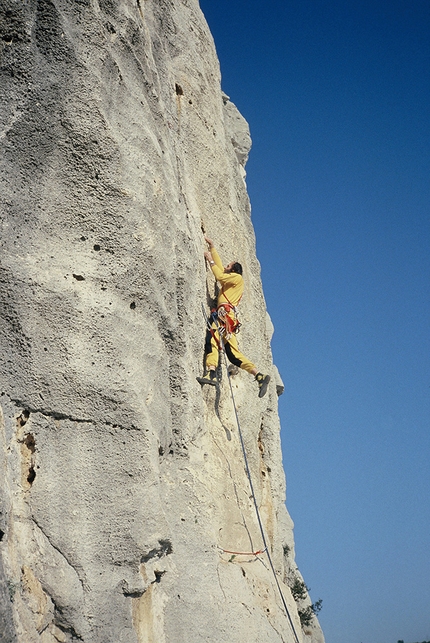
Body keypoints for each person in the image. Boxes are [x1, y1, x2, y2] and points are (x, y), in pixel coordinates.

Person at [197, 235, 271, 398]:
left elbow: (220, 275)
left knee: (220, 345)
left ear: (234, 270)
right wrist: (212, 247)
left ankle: (213, 373)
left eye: (228, 266)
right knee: (224, 348)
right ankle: (256, 375)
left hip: (225, 316)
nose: (225, 266)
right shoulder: (232, 281)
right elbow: (222, 270)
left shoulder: (236, 278)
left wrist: (209, 260)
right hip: (225, 317)